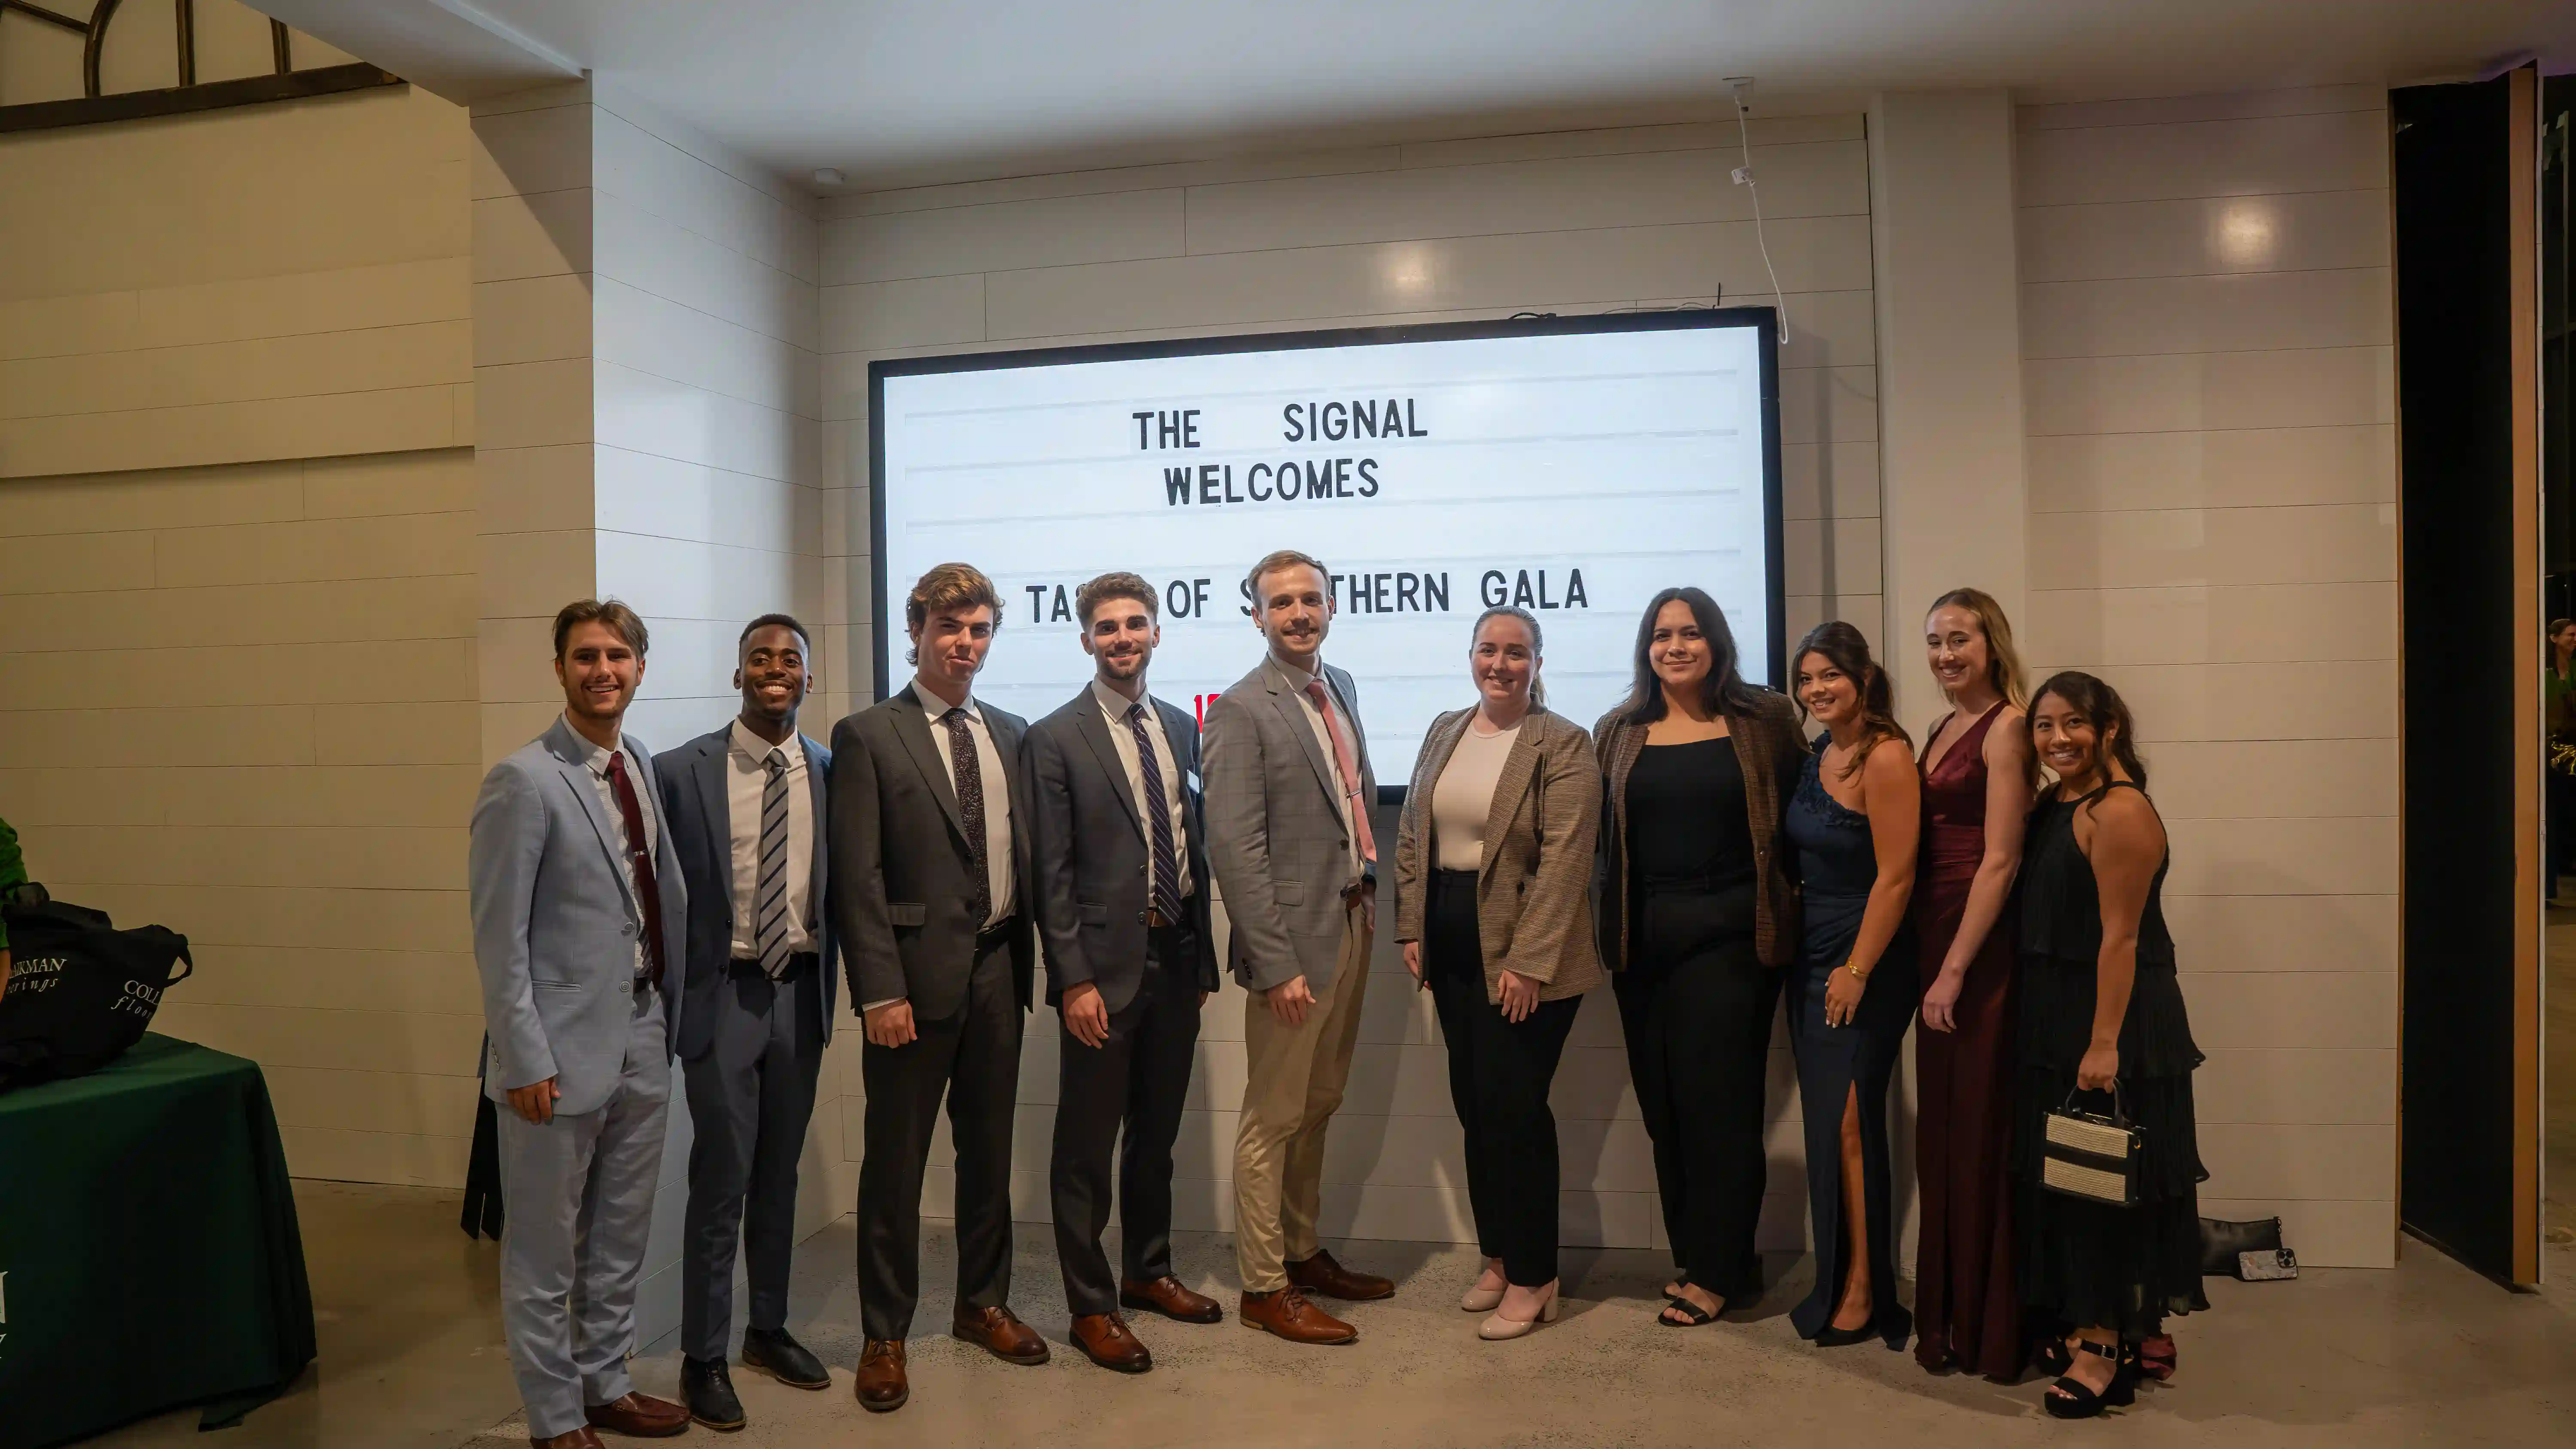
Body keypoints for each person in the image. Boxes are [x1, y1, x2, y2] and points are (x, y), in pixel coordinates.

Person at [468, 600, 693, 1449]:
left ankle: (605, 1383)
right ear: (558, 668)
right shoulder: (522, 780)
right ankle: (554, 1416)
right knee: (542, 1254)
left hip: (642, 1028)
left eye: (618, 655)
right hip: (554, 1056)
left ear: (640, 667)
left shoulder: (635, 759)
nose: (604, 669)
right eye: (585, 655)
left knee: (621, 1233)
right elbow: (500, 939)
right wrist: (524, 1056)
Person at [827, 563, 1043, 1413]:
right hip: (910, 987)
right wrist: (879, 989)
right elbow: (858, 875)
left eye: (980, 629)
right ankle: (885, 1332)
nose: (966, 643)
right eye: (950, 627)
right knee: (896, 1163)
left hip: (998, 967)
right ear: (916, 629)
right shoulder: (870, 733)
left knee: (988, 1155)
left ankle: (981, 1303)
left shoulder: (1013, 731)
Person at [1022, 573, 1224, 1374]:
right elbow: (1052, 871)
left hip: (1175, 957)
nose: (1122, 638)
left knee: (1157, 1136)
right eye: (1106, 628)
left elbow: (1193, 842)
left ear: (1156, 634)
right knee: (1085, 1145)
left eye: (1135, 624)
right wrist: (1071, 980)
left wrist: (1203, 955)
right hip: (1102, 968)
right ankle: (1091, 1305)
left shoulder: (1179, 725)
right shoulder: (1054, 735)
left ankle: (1148, 1270)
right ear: (1085, 641)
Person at [1593, 586, 1805, 1329]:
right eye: (1661, 635)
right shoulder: (1618, 728)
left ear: (1716, 641)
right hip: (1641, 941)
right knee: (1666, 1110)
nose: (1674, 647)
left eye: (1689, 633)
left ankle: (1717, 1272)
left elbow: (1805, 812)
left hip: (1734, 937)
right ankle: (1708, 1257)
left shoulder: (1765, 718)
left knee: (1720, 1107)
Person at [1393, 606, 1604, 1341]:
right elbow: (1416, 831)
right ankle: (1500, 1253)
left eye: (1518, 652)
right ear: (1471, 655)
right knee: (1475, 1107)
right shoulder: (1447, 728)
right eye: (1489, 649)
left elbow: (1566, 859)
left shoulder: (1563, 743)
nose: (1501, 664)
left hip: (1524, 953)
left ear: (1538, 662)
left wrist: (1529, 962)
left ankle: (1536, 1274)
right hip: (1450, 941)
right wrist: (1411, 925)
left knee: (1514, 1109)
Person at [1204, 548, 1396, 1345]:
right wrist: (1275, 962)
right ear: (1256, 615)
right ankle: (1263, 1285)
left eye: (1309, 599)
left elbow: (1352, 797)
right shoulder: (1241, 709)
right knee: (1273, 1117)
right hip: (1292, 952)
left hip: (1349, 922)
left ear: (1330, 605)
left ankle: (1302, 1249)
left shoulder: (1339, 685)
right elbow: (1235, 848)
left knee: (1320, 1102)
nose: (1297, 613)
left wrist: (1370, 886)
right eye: (1280, 603)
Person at [654, 615, 836, 1429]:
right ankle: (703, 1355)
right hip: (721, 993)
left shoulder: (833, 771)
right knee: (721, 1177)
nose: (774, 670)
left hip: (800, 991)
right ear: (738, 677)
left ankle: (767, 1327)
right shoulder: (677, 771)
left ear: (806, 678)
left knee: (780, 1173)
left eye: (789, 660)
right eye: (759, 659)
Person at [2017, 672, 2207, 1419]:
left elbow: (2121, 938)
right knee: (2085, 1176)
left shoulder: (2120, 811)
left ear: (2111, 728)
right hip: (2062, 1011)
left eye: (2073, 724)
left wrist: (2103, 1045)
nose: (2058, 738)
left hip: (2112, 1016)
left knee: (2100, 1186)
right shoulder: (2062, 801)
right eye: (2044, 726)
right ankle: (2125, 1328)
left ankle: (2101, 1350)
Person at [1783, 622, 1920, 1350]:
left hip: (1866, 958)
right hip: (1812, 957)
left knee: (1853, 1120)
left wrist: (1858, 969)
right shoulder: (1817, 755)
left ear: (1863, 678)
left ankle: (1867, 1288)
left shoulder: (1886, 756)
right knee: (1829, 1125)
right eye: (1806, 680)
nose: (1816, 690)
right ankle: (1838, 1279)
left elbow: (1897, 876)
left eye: (1829, 675)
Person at [1911, 588, 2035, 1378]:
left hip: (1978, 946)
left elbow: (2003, 857)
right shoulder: (1940, 725)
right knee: (1945, 1129)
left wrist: (1956, 967)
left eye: (1960, 638)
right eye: (1934, 641)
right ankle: (1949, 1315)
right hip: (1933, 937)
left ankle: (1990, 1325)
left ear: (1993, 643)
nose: (1946, 654)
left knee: (1981, 1124)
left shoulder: (2012, 725)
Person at [2547, 619, 2576, 901]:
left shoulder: (2574, 670)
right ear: (2554, 638)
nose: (2574, 639)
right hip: (2553, 752)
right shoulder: (2545, 672)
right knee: (2554, 813)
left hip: (2572, 748)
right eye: (2571, 635)